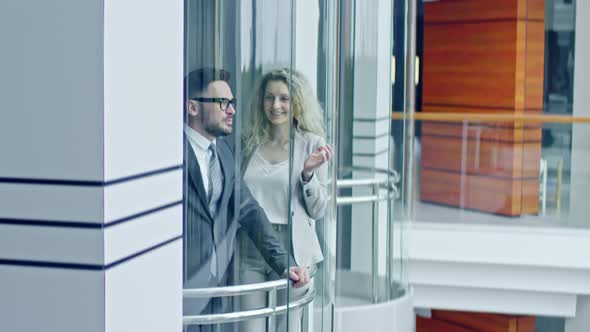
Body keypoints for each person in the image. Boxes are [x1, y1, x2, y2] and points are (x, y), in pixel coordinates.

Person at [183, 68, 309, 332]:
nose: (232, 111)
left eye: (232, 103)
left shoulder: (224, 154)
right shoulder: (171, 155)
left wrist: (285, 264)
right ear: (193, 107)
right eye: (223, 103)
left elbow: (251, 213)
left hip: (215, 289)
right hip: (180, 291)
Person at [239, 68, 332, 332]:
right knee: (250, 328)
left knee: (287, 327)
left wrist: (308, 173)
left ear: (296, 103)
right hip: (251, 245)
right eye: (269, 98)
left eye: (284, 98)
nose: (275, 105)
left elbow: (319, 210)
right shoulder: (249, 143)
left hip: (293, 246)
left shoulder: (312, 144)